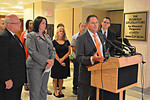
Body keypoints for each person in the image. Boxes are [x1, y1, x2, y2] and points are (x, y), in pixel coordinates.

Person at [76, 15, 106, 100]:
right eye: (92, 23)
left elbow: (104, 51)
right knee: (83, 97)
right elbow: (79, 57)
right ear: (87, 24)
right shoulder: (81, 38)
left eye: (96, 22)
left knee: (95, 96)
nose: (95, 25)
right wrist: (92, 59)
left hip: (100, 71)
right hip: (86, 74)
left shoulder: (100, 36)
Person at [26, 16, 55, 100]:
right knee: (35, 90)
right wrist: (46, 60)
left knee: (43, 89)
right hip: (35, 66)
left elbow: (52, 50)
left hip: (47, 67)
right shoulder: (31, 35)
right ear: (37, 23)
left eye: (45, 23)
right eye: (43, 23)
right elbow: (32, 52)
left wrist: (51, 61)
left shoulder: (47, 36)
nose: (45, 25)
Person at [0, 14, 26, 100]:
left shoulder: (14, 36)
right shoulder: (3, 37)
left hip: (17, 78)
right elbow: (2, 60)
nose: (20, 24)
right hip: (10, 79)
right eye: (17, 23)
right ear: (9, 24)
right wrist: (7, 79)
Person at [51, 26, 71, 98]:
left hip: (64, 61)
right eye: (60, 31)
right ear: (57, 32)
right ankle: (55, 92)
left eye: (62, 31)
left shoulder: (67, 41)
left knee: (61, 77)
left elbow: (69, 51)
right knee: (55, 77)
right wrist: (59, 60)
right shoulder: (54, 42)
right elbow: (54, 52)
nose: (61, 32)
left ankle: (60, 90)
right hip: (56, 61)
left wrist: (63, 59)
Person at [71, 22, 86, 95]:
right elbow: (73, 48)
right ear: (79, 27)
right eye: (82, 26)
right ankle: (75, 87)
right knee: (76, 73)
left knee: (83, 73)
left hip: (84, 58)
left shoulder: (87, 37)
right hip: (77, 58)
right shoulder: (75, 37)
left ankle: (82, 87)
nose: (83, 28)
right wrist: (80, 55)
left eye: (84, 26)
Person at [20, 19, 33, 91]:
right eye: (30, 23)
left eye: (32, 23)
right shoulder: (24, 33)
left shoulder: (35, 33)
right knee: (26, 71)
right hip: (26, 54)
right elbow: (21, 44)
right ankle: (26, 85)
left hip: (32, 55)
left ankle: (32, 84)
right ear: (27, 25)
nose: (32, 24)